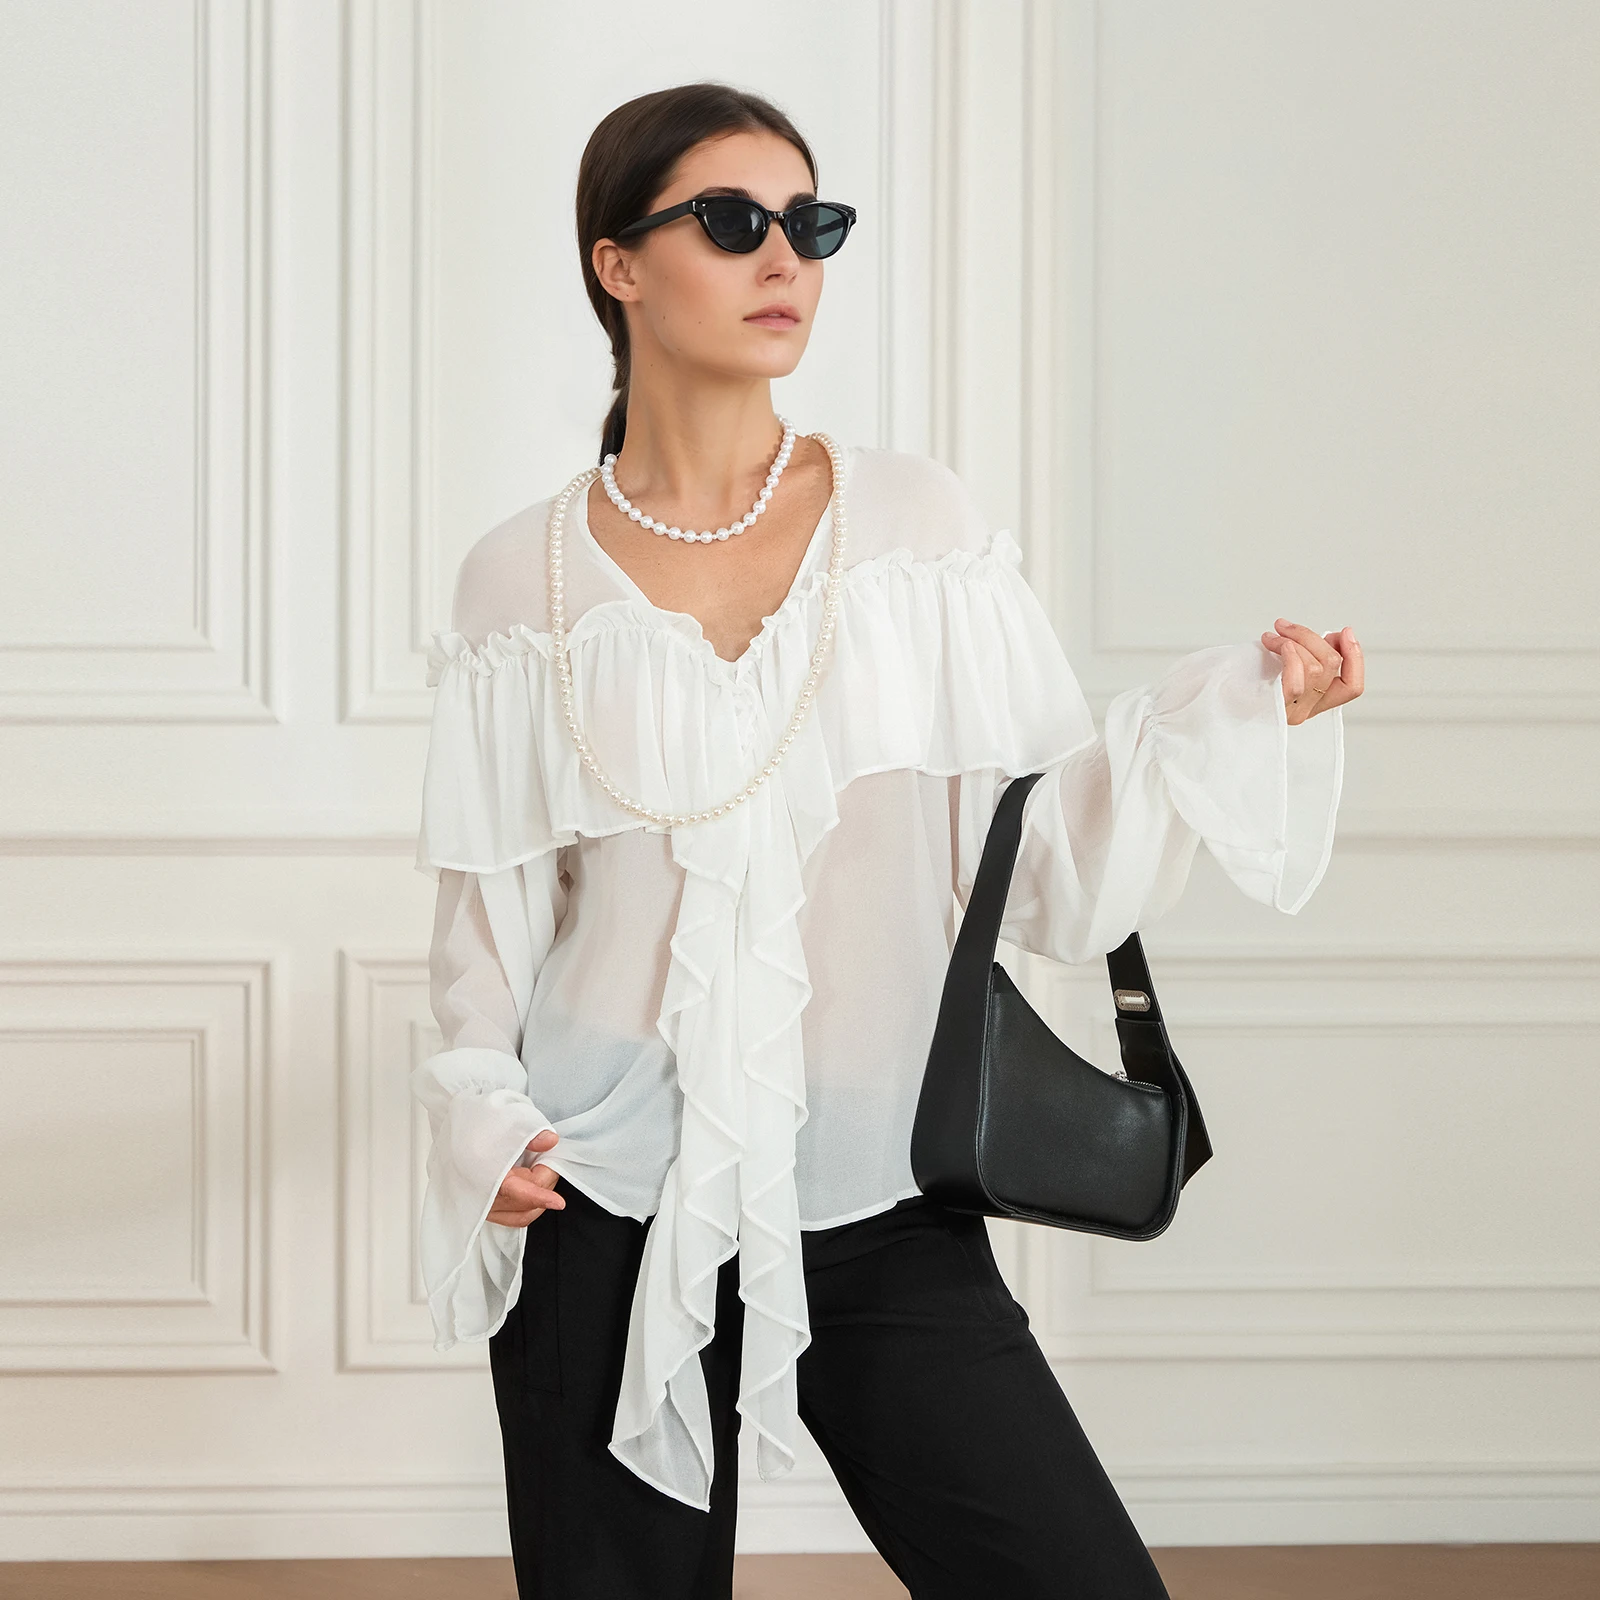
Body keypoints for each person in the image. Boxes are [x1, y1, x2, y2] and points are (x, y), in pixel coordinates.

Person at [411, 81, 1360, 1600]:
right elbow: (494, 917)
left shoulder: (916, 530)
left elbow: (1033, 860)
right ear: (619, 263)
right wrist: (485, 1114)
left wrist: (1226, 716)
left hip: (877, 1187)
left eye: (813, 223)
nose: (784, 257)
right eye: (734, 221)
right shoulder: (518, 578)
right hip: (602, 1201)